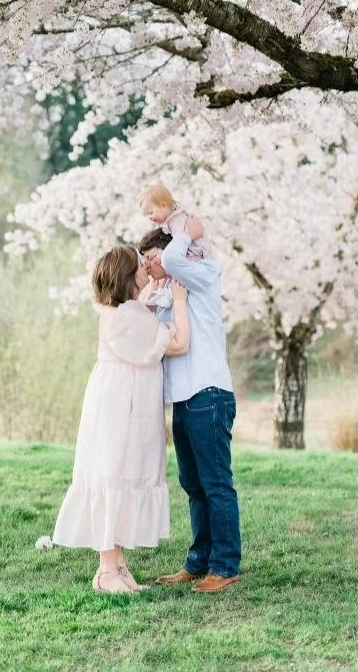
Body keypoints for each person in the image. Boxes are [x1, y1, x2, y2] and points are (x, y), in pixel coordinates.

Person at [51, 245, 189, 592]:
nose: (146, 266)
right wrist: (180, 300)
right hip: (121, 404)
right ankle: (107, 571)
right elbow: (179, 344)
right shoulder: (127, 316)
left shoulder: (123, 311)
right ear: (127, 276)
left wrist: (154, 293)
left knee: (121, 473)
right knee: (115, 472)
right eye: (140, 264)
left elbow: (142, 315)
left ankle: (119, 566)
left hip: (120, 398)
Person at [140, 227, 241, 593]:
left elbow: (171, 259)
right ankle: (198, 563)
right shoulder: (166, 292)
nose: (148, 264)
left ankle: (225, 565)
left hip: (208, 393)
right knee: (193, 485)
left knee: (216, 485)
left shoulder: (198, 277)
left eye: (151, 257)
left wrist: (185, 231)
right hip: (184, 398)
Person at [139, 183, 208, 262]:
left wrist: (163, 256)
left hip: (196, 256)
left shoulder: (177, 220)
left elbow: (179, 245)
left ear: (164, 206)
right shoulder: (171, 221)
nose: (149, 217)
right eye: (146, 214)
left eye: (151, 213)